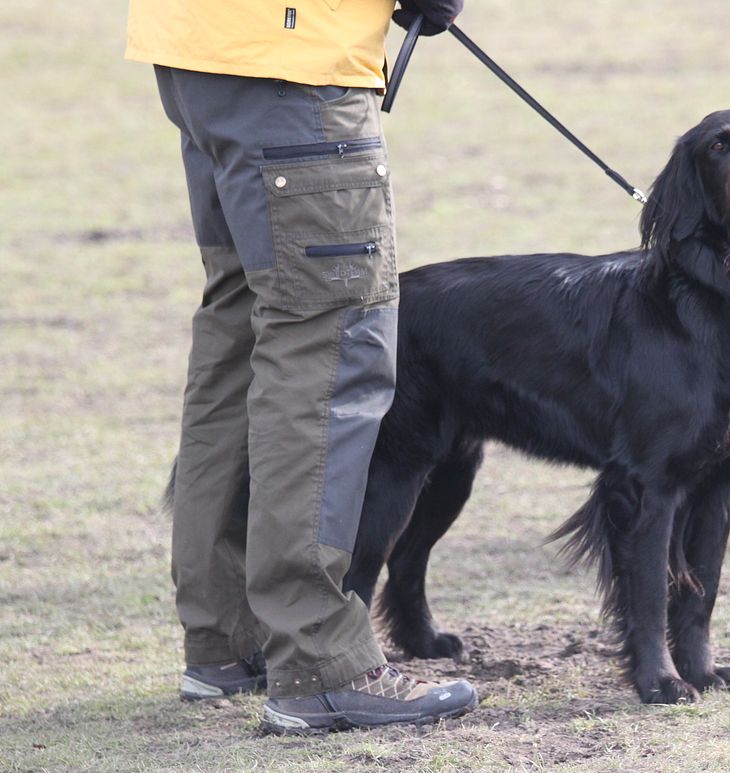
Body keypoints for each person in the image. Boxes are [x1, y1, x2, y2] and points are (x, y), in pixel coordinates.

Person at [125, 0, 478, 734]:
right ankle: (319, 661)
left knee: (240, 327)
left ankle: (229, 638)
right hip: (293, 55)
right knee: (329, 339)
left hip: (197, 48)